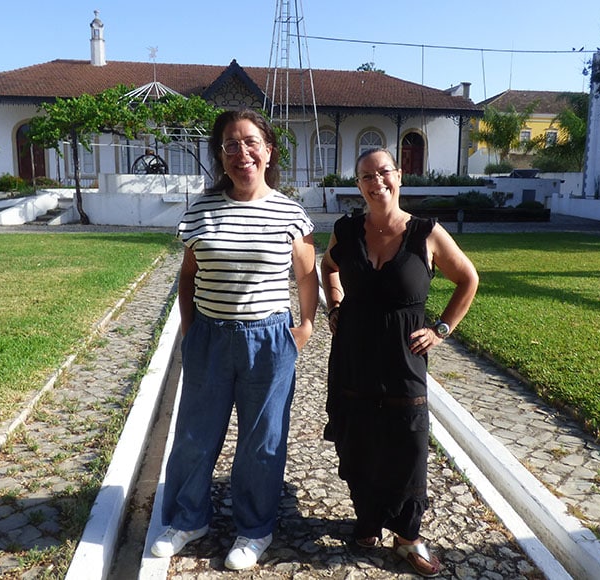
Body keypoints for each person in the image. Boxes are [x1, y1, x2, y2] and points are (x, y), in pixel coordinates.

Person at [150, 108, 319, 571]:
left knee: (262, 440)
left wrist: (304, 326)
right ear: (220, 155)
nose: (240, 152)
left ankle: (254, 528)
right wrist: (190, 329)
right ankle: (188, 519)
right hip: (209, 335)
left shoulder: (289, 212)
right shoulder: (201, 209)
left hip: (268, 340)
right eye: (229, 144)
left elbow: (307, 277)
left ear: (267, 151)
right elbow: (188, 275)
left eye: (250, 143)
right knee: (193, 434)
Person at [320, 148, 478, 577]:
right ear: (359, 185)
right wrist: (334, 305)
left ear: (399, 176)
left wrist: (442, 329)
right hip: (352, 355)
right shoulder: (347, 231)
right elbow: (328, 266)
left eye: (384, 172)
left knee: (407, 445)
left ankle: (408, 537)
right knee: (358, 439)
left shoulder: (425, 233)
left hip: (403, 362)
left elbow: (468, 278)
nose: (377, 182)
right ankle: (368, 520)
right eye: (366, 176)